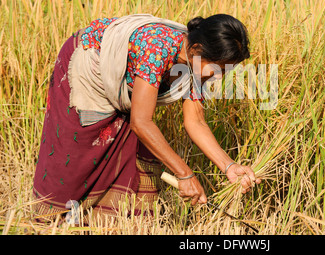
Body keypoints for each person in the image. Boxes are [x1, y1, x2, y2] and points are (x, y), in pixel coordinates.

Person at [32, 13, 261, 221]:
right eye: (218, 67)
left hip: (121, 86)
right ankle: (54, 218)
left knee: (129, 151)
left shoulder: (194, 65)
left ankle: (104, 221)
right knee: (78, 153)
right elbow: (140, 122)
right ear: (196, 49)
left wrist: (229, 166)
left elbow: (196, 121)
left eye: (226, 70)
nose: (219, 76)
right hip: (87, 68)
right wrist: (184, 174)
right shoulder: (157, 48)